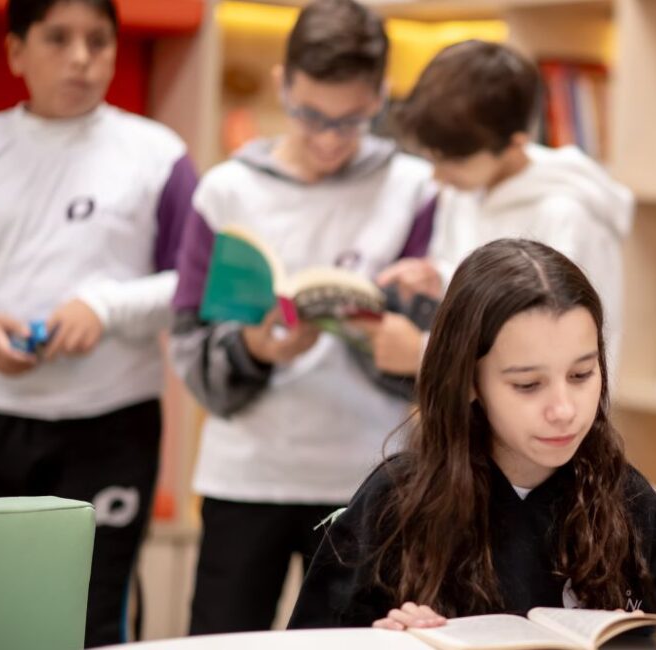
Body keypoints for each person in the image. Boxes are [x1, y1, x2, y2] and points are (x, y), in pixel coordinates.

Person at [168, 0, 434, 634]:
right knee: (223, 645)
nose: (327, 137)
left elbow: (441, 351)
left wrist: (402, 345)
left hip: (371, 480)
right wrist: (258, 350)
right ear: (282, 82)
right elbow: (187, 347)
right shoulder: (227, 189)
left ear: (381, 95)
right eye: (310, 114)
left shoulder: (417, 187)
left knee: (360, 644)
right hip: (245, 475)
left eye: (351, 119)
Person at [287, 239, 656, 629]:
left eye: (581, 375)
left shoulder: (630, 506)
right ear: (469, 381)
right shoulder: (396, 505)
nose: (563, 410)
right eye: (528, 384)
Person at [0, 0, 196, 645]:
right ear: (16, 51)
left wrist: (104, 307)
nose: (80, 58)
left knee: (96, 614)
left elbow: (195, 283)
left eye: (98, 41)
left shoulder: (156, 154)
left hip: (111, 424)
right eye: (58, 38)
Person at [364, 39, 633, 378]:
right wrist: (439, 277)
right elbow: (479, 286)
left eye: (453, 162)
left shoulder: (568, 213)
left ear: (515, 143)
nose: (438, 176)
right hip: (473, 412)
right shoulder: (464, 190)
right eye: (432, 158)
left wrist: (423, 352)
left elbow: (556, 341)